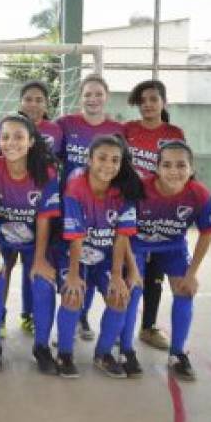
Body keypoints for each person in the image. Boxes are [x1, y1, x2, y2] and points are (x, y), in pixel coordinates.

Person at [129, 141, 211, 381]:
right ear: (157, 168)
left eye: (181, 165)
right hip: (137, 245)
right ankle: (125, 350)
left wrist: (191, 275)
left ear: (191, 169)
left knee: (185, 292)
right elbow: (122, 229)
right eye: (167, 165)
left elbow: (206, 234)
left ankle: (177, 353)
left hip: (172, 246)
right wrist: (129, 268)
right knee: (132, 290)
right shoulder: (139, 189)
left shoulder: (199, 194)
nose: (174, 171)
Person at [55, 134, 144, 379]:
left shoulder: (123, 191)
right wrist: (73, 276)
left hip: (104, 256)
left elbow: (122, 236)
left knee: (119, 296)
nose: (108, 165)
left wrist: (117, 275)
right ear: (89, 160)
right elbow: (75, 237)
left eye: (115, 160)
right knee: (73, 295)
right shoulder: (76, 187)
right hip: (73, 254)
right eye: (102, 158)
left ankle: (103, 354)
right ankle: (64, 353)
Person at [0, 115, 61, 374]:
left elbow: (44, 220)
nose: (11, 142)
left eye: (18, 137)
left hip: (35, 241)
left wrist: (39, 259)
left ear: (31, 142)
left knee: (42, 283)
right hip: (0, 239)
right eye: (5, 137)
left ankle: (42, 347)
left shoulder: (46, 172)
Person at [56, 74, 125, 341]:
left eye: (98, 94)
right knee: (73, 257)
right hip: (70, 204)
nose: (93, 99)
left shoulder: (118, 129)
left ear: (106, 96)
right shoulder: (66, 124)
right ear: (80, 97)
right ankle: (57, 320)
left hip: (104, 206)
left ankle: (83, 317)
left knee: (98, 258)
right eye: (88, 94)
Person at [124, 79, 186, 352]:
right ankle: (122, 327)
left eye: (153, 99)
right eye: (142, 101)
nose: (147, 105)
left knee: (156, 271)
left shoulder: (174, 133)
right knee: (132, 271)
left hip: (162, 211)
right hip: (133, 209)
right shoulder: (128, 130)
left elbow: (181, 171)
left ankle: (148, 327)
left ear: (163, 102)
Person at [14, 80, 63, 335]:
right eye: (28, 99)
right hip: (13, 209)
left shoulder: (56, 130)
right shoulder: (10, 125)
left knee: (34, 264)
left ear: (46, 105)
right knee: (4, 264)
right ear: (20, 103)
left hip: (43, 206)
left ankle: (29, 314)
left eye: (39, 100)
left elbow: (62, 161)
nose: (33, 104)